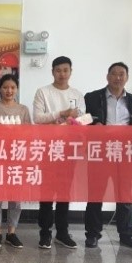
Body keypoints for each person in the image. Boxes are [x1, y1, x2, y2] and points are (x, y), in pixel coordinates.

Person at [83, 62, 132, 250]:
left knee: (125, 196)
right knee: (95, 195)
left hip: (125, 153)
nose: (118, 78)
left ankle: (126, 234)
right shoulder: (92, 97)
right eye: (114, 74)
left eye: (121, 74)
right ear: (107, 76)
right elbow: (84, 120)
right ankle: (92, 234)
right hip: (100, 152)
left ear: (127, 78)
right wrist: (95, 124)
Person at [32, 56, 85, 250]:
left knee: (64, 193)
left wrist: (69, 121)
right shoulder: (43, 92)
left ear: (71, 71)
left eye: (65, 70)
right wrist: (62, 114)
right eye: (58, 70)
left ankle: (62, 233)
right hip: (47, 148)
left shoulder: (77, 94)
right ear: (52, 72)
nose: (62, 74)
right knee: (46, 193)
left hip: (69, 149)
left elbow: (82, 120)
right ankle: (45, 233)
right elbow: (37, 118)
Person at [0, 73, 31, 249]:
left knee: (15, 197)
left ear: (16, 89)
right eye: (5, 87)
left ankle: (11, 232)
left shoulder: (23, 110)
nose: (9, 91)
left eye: (12, 87)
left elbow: (29, 134)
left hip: (17, 158)